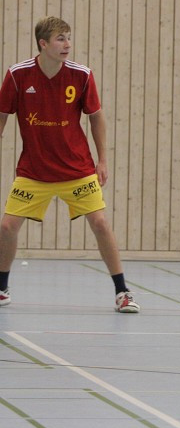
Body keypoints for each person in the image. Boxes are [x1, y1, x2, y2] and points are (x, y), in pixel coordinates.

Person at [0, 17, 139, 313]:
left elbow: (96, 116)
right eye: (60, 39)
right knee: (8, 226)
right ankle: (1, 288)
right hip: (34, 171)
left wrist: (102, 159)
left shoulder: (82, 75)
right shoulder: (17, 75)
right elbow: (2, 114)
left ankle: (122, 292)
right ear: (43, 44)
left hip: (77, 170)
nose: (67, 44)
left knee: (101, 223)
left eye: (68, 38)